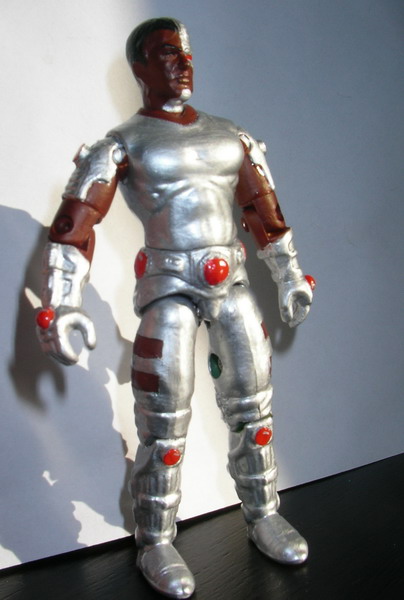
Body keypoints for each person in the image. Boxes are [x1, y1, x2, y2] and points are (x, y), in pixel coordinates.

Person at [36, 17, 315, 600]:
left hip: (232, 282)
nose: (182, 64)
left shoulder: (230, 136)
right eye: (166, 54)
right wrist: (62, 303)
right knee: (164, 421)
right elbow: (76, 223)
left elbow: (264, 211)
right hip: (168, 288)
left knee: (254, 407)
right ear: (139, 68)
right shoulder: (123, 143)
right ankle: (156, 538)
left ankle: (264, 513)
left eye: (186, 53)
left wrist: (288, 275)